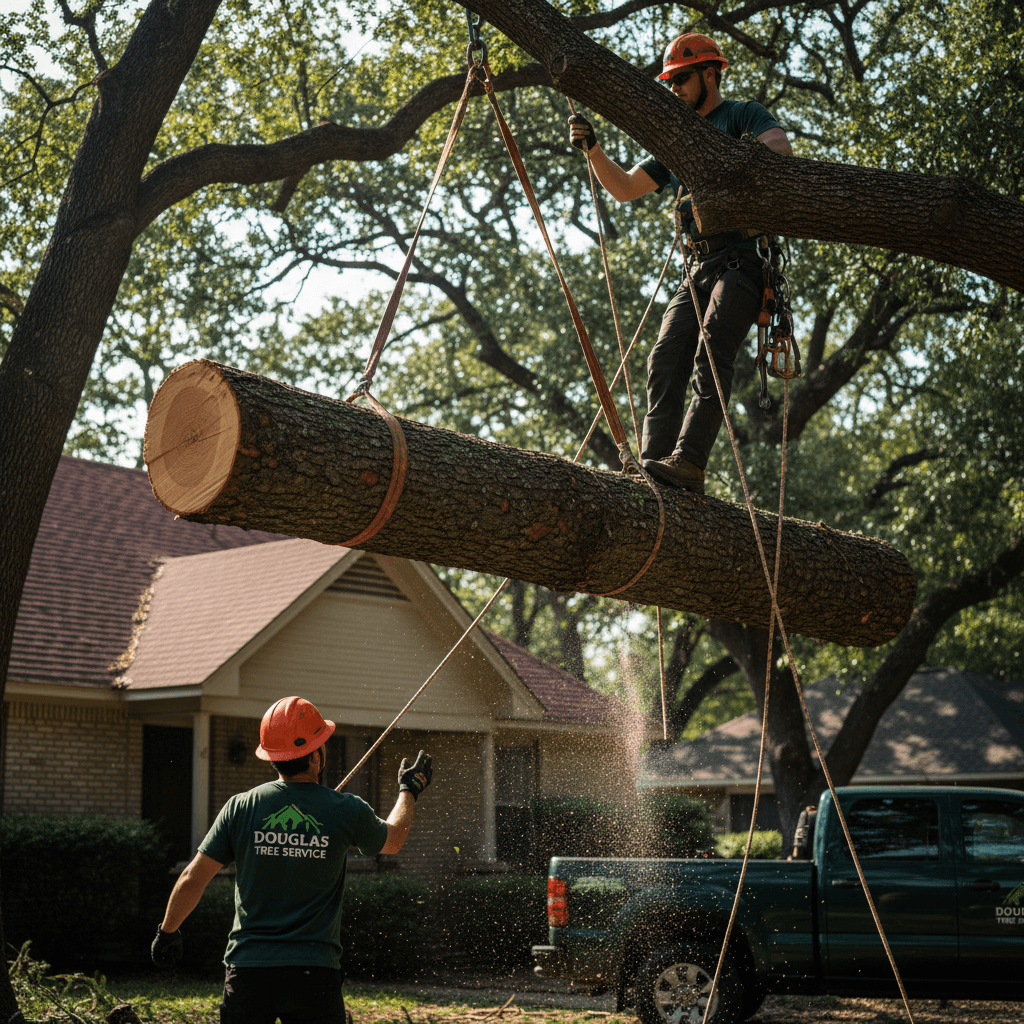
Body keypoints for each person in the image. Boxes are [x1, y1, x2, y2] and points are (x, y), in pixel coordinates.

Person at [569, 33, 793, 494]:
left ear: (710, 74)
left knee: (711, 350)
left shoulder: (743, 115)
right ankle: (653, 467)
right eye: (670, 82)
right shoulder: (679, 140)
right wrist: (594, 149)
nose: (674, 89)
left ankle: (689, 463)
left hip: (743, 261)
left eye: (682, 79)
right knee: (666, 357)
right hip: (699, 267)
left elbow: (779, 148)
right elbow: (627, 187)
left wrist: (730, 162)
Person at [150, 695, 433, 1024]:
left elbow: (192, 878)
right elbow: (394, 839)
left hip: (249, 973)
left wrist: (167, 932)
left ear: (273, 758)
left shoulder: (240, 807)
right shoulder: (346, 809)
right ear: (316, 754)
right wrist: (408, 789)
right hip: (314, 973)